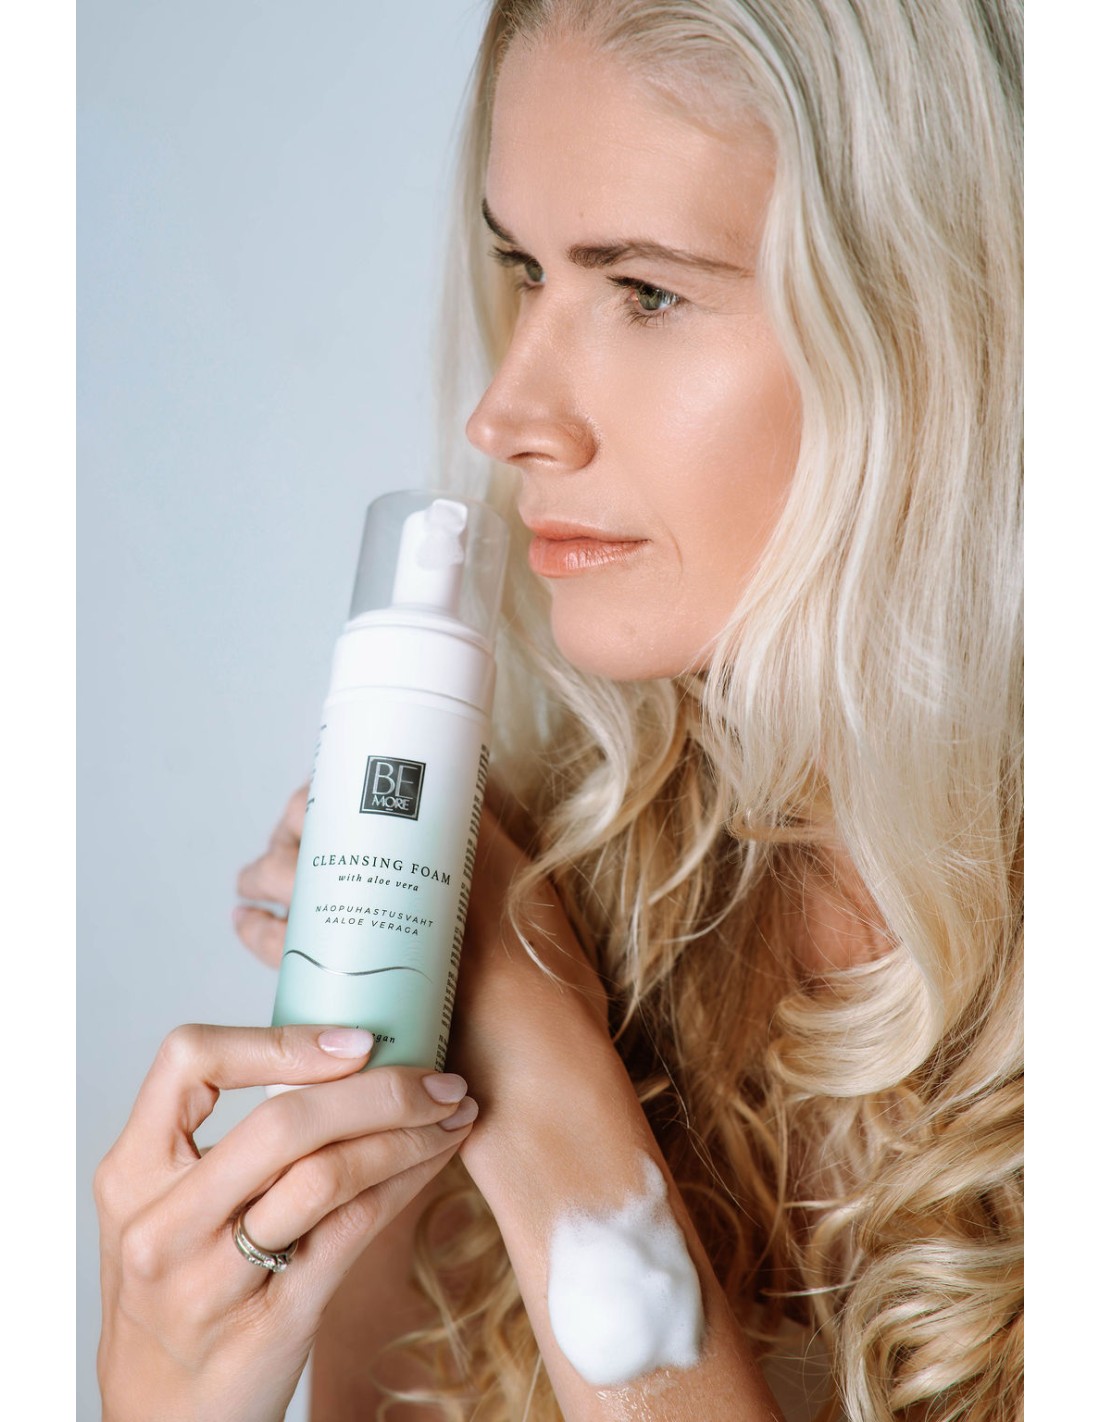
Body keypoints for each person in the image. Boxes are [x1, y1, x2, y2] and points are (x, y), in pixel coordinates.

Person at [94, 1, 1023, 1418]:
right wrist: (170, 1392)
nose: (507, 412)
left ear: (935, 325)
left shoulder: (503, 968)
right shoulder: (537, 885)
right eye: (524, 269)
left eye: (644, 291)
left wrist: (545, 1091)